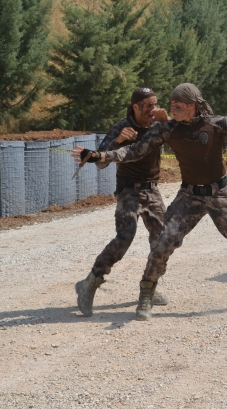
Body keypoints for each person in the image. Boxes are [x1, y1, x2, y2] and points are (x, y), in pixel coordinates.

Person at [74, 83, 227, 320]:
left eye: (178, 105)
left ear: (193, 106)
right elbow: (134, 152)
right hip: (187, 196)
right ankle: (145, 294)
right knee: (163, 241)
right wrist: (102, 155)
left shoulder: (219, 123)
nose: (171, 108)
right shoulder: (165, 129)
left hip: (220, 194)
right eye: (171, 104)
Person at [73, 87, 171, 317]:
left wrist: (169, 123)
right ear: (136, 107)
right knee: (124, 237)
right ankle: (90, 283)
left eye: (155, 104)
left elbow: (180, 140)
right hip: (129, 190)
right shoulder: (122, 126)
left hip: (153, 190)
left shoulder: (159, 124)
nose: (153, 110)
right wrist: (118, 141)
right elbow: (100, 161)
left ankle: (152, 285)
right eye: (148, 106)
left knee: (163, 240)